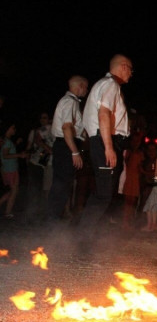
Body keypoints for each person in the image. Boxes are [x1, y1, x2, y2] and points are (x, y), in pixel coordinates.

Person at [76, 54, 132, 234]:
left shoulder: (103, 84)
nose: (131, 74)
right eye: (131, 69)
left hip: (103, 139)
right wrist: (108, 147)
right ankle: (83, 238)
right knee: (103, 194)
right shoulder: (110, 84)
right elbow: (103, 114)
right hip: (104, 140)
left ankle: (86, 235)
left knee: (104, 192)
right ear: (123, 66)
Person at [48, 76, 88, 220]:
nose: (87, 90)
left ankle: (53, 221)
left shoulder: (71, 102)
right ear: (80, 86)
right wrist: (75, 151)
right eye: (86, 87)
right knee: (61, 185)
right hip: (66, 146)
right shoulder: (69, 101)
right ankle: (52, 222)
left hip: (65, 146)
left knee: (63, 184)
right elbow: (66, 127)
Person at [25, 112, 54, 217]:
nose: (43, 120)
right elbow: (30, 146)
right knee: (35, 188)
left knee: (46, 187)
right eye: (41, 118)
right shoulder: (35, 131)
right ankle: (32, 211)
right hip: (36, 163)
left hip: (48, 163)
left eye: (45, 118)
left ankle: (43, 210)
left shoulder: (53, 129)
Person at [0, 122, 28, 219]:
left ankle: (7, 211)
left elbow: (6, 152)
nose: (14, 130)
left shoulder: (6, 141)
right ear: (7, 129)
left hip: (9, 168)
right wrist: (20, 155)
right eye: (13, 128)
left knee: (12, 191)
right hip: (10, 169)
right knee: (14, 190)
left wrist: (16, 144)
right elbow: (5, 155)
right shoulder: (6, 141)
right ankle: (7, 212)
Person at [121, 132, 145, 231]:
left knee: (134, 202)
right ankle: (125, 223)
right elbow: (126, 163)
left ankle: (130, 221)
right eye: (134, 141)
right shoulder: (127, 152)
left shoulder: (141, 153)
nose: (136, 143)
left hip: (136, 180)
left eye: (138, 141)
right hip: (128, 179)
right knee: (128, 202)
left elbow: (141, 168)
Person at [140, 139, 157, 232]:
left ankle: (151, 225)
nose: (151, 151)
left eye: (153, 149)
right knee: (151, 206)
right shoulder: (149, 160)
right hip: (153, 185)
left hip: (155, 186)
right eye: (149, 149)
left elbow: (156, 175)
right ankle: (153, 225)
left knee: (150, 205)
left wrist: (144, 172)